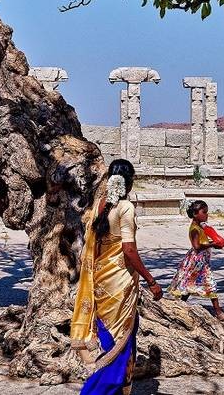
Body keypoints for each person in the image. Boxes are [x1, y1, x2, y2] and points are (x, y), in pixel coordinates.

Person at [71, 159, 164, 395]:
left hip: (101, 280)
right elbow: (129, 250)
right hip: (120, 282)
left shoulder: (99, 206)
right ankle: (99, 389)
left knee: (110, 336)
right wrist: (151, 281)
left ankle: (120, 388)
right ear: (129, 182)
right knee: (120, 342)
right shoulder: (125, 208)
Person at [168, 199, 224, 321]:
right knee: (209, 283)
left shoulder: (200, 226)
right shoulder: (195, 229)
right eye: (204, 212)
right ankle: (218, 312)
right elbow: (197, 246)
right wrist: (212, 244)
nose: (207, 215)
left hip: (200, 260)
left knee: (189, 284)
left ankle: (179, 306)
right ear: (196, 214)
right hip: (197, 261)